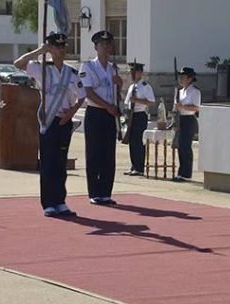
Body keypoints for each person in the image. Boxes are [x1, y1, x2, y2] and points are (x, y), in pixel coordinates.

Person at [16, 32, 85, 216]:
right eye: (56, 47)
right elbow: (18, 64)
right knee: (48, 162)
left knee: (60, 163)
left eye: (63, 47)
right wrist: (40, 51)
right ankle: (48, 203)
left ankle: (60, 201)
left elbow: (82, 96)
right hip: (49, 120)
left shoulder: (71, 72)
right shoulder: (42, 69)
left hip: (65, 119)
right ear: (51, 49)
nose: (60, 50)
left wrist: (71, 113)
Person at [79, 30, 122, 205]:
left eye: (107, 44)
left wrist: (119, 86)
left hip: (110, 114)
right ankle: (95, 192)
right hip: (96, 112)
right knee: (94, 153)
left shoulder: (113, 68)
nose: (105, 47)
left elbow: (115, 93)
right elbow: (88, 92)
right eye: (102, 44)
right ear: (96, 47)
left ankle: (106, 192)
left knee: (108, 154)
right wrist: (108, 106)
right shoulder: (88, 66)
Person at [124, 62, 155, 176]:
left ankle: (140, 167)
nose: (132, 74)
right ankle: (134, 165)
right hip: (131, 115)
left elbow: (151, 102)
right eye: (131, 72)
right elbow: (127, 102)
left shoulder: (145, 86)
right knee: (132, 141)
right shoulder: (132, 86)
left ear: (140, 73)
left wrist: (137, 100)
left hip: (140, 115)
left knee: (139, 141)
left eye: (135, 72)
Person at [174, 66, 201, 182]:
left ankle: (186, 173)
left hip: (189, 119)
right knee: (180, 146)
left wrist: (183, 107)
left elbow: (196, 107)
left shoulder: (195, 92)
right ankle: (181, 171)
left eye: (183, 77)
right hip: (181, 119)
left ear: (190, 79)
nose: (181, 79)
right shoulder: (180, 91)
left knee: (186, 145)